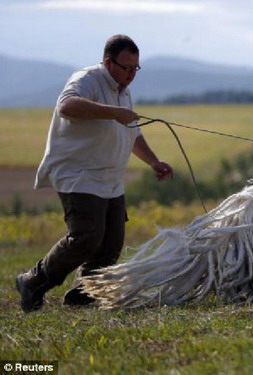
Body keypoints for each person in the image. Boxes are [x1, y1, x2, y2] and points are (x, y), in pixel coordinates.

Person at [15, 34, 174, 312]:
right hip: (78, 173)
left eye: (135, 68)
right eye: (125, 67)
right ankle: (33, 281)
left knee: (111, 242)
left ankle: (84, 293)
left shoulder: (123, 90)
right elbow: (67, 106)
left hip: (110, 178)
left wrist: (153, 161)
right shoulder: (87, 79)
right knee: (87, 237)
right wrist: (114, 112)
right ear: (107, 62)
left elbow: (132, 133)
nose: (130, 74)